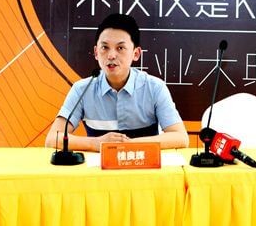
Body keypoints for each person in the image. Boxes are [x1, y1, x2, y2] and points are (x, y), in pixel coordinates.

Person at [45, 13, 189, 152]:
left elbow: (180, 137)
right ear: (96, 52)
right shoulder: (82, 89)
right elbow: (52, 139)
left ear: (136, 54)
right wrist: (96, 143)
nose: (111, 55)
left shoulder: (155, 87)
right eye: (105, 47)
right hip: (98, 167)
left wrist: (128, 145)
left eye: (120, 48)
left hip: (143, 165)